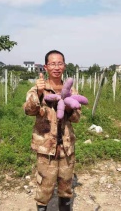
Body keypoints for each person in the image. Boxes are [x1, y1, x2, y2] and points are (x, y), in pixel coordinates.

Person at [23, 50, 81, 211]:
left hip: (66, 148)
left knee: (66, 189)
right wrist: (40, 93)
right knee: (44, 189)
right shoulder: (38, 89)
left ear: (64, 66)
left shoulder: (71, 91)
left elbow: (77, 118)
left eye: (60, 63)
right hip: (46, 149)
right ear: (46, 67)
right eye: (53, 64)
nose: (57, 67)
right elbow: (28, 110)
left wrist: (70, 108)